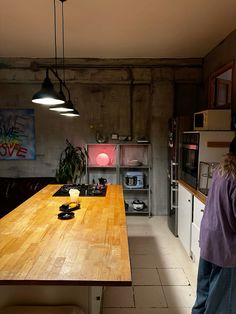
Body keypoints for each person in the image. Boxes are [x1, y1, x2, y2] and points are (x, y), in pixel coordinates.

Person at [192, 136, 236, 314]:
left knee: (203, 290)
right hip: (226, 247)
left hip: (209, 238)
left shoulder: (221, 170)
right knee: (220, 300)